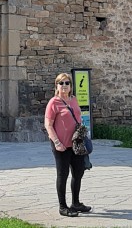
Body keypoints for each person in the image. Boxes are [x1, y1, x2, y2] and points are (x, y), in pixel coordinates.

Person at [45, 73, 91, 217]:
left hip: (76, 144)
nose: (64, 86)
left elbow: (78, 118)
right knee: (63, 174)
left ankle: (75, 203)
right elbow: (48, 124)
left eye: (67, 83)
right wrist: (57, 143)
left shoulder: (74, 99)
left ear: (71, 86)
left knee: (78, 172)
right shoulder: (54, 102)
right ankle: (63, 207)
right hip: (61, 145)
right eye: (61, 83)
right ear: (57, 86)